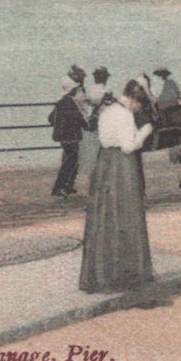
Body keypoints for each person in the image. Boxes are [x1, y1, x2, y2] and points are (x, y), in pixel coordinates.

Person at [79, 79, 155, 294]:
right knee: (126, 216)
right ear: (134, 100)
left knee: (105, 218)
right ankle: (127, 276)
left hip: (104, 164)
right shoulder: (125, 115)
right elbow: (129, 146)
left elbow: (104, 140)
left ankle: (101, 276)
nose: (139, 109)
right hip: (122, 167)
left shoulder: (107, 111)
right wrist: (145, 130)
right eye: (140, 105)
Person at [48, 82, 89, 196]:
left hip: (64, 137)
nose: (76, 91)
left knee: (69, 161)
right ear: (71, 90)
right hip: (71, 137)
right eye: (75, 89)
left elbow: (51, 118)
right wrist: (87, 125)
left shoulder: (62, 101)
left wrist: (60, 126)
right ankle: (59, 187)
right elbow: (79, 118)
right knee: (71, 161)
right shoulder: (70, 102)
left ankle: (64, 186)